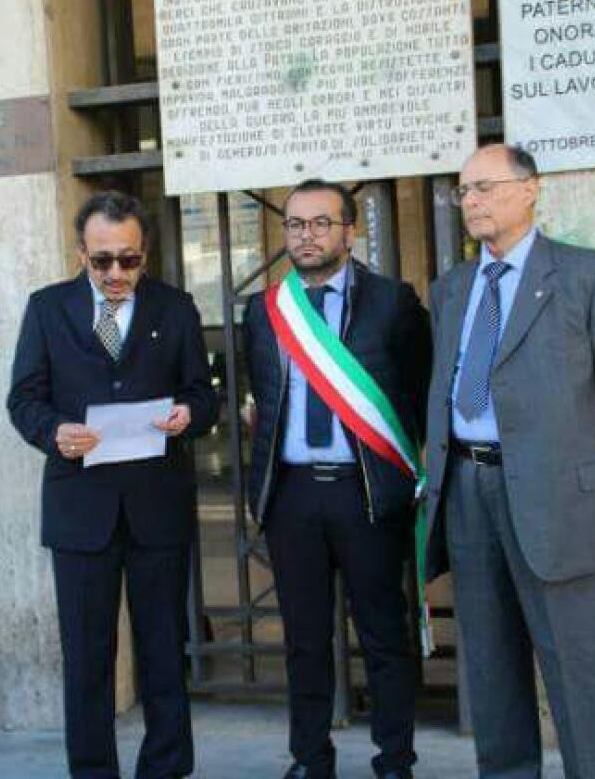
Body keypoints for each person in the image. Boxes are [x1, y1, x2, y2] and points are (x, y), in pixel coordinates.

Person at [422, 144, 595, 778]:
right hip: (469, 496)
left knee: (586, 678)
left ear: (530, 189)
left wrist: (588, 475)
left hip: (564, 504)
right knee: (493, 677)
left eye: (484, 187)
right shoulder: (450, 290)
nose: (470, 200)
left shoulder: (591, 275)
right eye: (462, 191)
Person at [7, 190, 219, 779]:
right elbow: (23, 399)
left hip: (157, 508)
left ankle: (166, 768)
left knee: (162, 655)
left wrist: (188, 415)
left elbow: (205, 394)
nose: (117, 273)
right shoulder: (47, 309)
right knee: (87, 660)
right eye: (103, 261)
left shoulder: (174, 309)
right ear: (81, 254)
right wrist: (55, 432)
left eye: (129, 259)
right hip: (80, 512)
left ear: (144, 253)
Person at [242, 179, 432, 779]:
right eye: (296, 224)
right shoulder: (265, 310)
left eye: (321, 223)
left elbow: (419, 390)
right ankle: (309, 759)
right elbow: (265, 400)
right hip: (292, 495)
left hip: (367, 493)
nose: (306, 235)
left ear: (349, 231)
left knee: (382, 633)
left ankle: (395, 761)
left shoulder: (392, 303)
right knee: (303, 640)